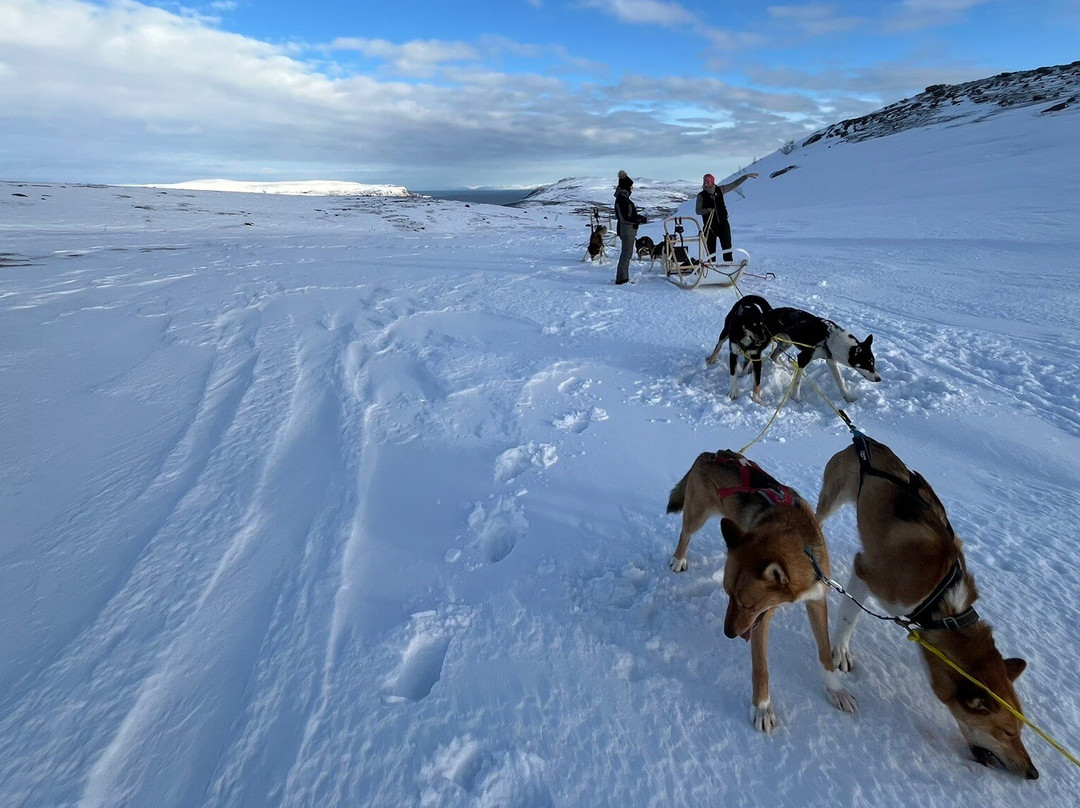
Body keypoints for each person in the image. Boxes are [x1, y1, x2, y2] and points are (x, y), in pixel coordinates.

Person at [696, 171, 757, 262]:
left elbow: (734, 184)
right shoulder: (701, 196)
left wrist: (745, 177)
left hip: (723, 224)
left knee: (727, 247)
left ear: (712, 182)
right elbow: (697, 211)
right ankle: (711, 266)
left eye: (707, 182)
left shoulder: (720, 190)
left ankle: (728, 264)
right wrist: (707, 210)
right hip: (709, 226)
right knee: (710, 249)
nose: (705, 184)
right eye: (704, 182)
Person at [613, 170, 647, 285]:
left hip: (625, 229)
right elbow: (626, 218)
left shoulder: (621, 199)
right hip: (627, 230)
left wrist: (637, 218)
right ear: (626, 187)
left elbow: (626, 216)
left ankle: (623, 277)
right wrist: (639, 219)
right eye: (630, 187)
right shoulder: (623, 200)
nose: (631, 189)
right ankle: (622, 278)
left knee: (626, 254)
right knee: (626, 254)